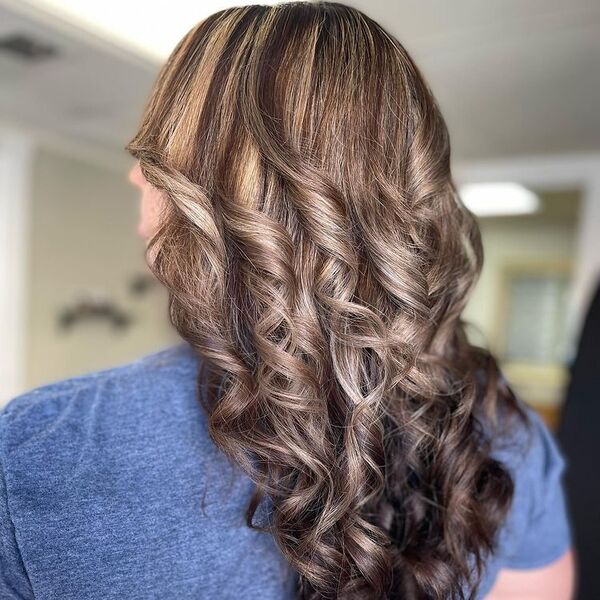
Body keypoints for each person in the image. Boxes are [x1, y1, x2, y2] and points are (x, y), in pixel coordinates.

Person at [0, 2, 575, 599]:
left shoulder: (40, 451)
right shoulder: (503, 436)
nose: (135, 176)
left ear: (207, 188)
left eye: (158, 158)